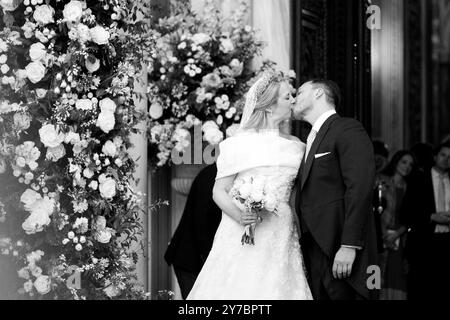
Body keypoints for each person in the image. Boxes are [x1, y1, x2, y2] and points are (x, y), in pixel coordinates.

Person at [187, 73, 313, 300]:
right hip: (241, 232)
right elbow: (219, 190)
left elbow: (298, 194)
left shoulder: (298, 147)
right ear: (269, 105)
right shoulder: (236, 145)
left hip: (281, 232)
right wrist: (240, 215)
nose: (294, 100)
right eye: (288, 96)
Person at [292, 79, 379, 300]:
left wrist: (349, 244)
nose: (294, 98)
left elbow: (359, 188)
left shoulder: (347, 128)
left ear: (319, 93)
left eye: (300, 92)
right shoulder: (310, 138)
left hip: (341, 247)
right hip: (314, 248)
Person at [164, 163, 222, 299]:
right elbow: (201, 219)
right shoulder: (213, 175)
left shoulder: (215, 172)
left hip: (195, 254)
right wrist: (209, 261)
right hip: (190, 257)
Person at [401, 142, 450, 300]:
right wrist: (431, 216)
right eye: (443, 155)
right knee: (421, 290)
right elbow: (406, 213)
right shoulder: (418, 179)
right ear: (435, 156)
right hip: (424, 243)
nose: (446, 159)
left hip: (447, 242)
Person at [376, 151, 417, 300]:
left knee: (398, 279)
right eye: (404, 162)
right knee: (375, 277)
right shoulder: (380, 181)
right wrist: (383, 235)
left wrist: (396, 234)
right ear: (396, 162)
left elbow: (413, 217)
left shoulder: (411, 188)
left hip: (400, 241)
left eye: (411, 165)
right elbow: (372, 210)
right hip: (378, 239)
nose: (407, 167)